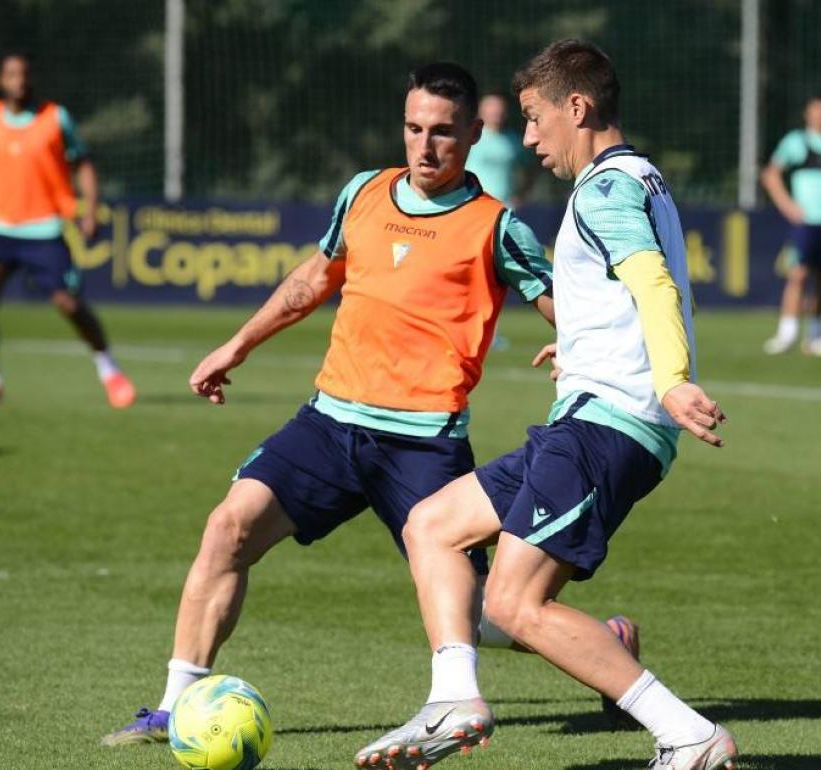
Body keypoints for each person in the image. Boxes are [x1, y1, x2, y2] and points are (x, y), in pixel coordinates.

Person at [101, 61, 636, 746]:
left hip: (424, 443)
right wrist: (236, 346)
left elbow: (564, 305)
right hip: (329, 425)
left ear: (473, 134)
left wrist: (579, 348)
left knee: (479, 613)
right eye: (414, 128)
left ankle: (611, 645)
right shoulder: (364, 192)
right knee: (228, 527)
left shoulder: (495, 227)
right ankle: (175, 704)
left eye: (443, 132)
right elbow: (312, 279)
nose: (425, 144)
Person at [356, 40, 739, 770]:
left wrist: (672, 380)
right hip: (587, 413)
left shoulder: (602, 188)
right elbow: (623, 289)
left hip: (609, 426)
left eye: (535, 119)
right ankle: (451, 701)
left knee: (512, 604)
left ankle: (687, 735)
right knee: (432, 526)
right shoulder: (640, 179)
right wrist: (584, 345)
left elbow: (653, 283)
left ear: (577, 107)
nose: (528, 138)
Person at [0, 52, 136, 408]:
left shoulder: (55, 118)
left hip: (44, 230)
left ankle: (111, 371)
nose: (20, 80)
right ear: (1, 80)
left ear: (32, 78)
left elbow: (83, 164)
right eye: (12, 74)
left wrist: (89, 210)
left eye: (25, 73)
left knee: (69, 304)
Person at [760, 93, 821, 357]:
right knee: (798, 274)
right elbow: (771, 174)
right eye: (816, 112)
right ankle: (787, 333)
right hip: (805, 221)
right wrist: (787, 205)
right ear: (808, 114)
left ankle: (816, 336)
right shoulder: (796, 142)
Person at [465, 93, 532, 208]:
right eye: (491, 107)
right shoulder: (468, 137)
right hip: (473, 206)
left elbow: (530, 169)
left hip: (505, 207)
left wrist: (521, 195)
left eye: (500, 107)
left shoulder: (514, 141)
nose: (496, 111)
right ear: (481, 110)